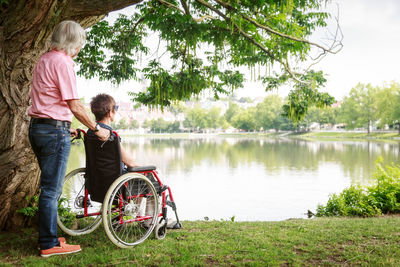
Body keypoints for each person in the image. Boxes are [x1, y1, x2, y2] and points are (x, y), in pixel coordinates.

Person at [28, 20, 109, 257]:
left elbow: (50, 101)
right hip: (53, 132)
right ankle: (49, 243)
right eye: (80, 44)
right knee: (51, 191)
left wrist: (67, 127)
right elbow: (74, 105)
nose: (80, 49)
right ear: (74, 43)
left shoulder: (43, 59)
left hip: (38, 129)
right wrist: (97, 128)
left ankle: (49, 236)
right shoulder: (64, 63)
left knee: (48, 188)